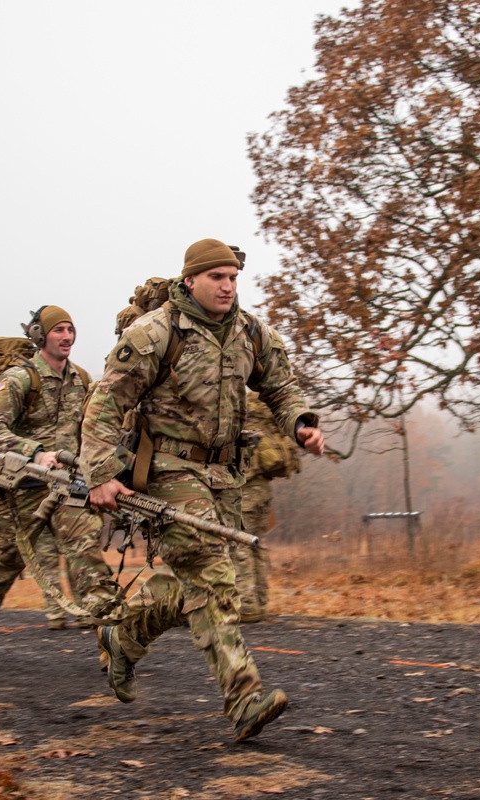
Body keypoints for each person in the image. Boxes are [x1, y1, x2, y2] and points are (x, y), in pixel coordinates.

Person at [81, 238, 325, 743]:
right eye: (217, 277)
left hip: (225, 479)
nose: (228, 285)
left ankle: (124, 638)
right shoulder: (154, 334)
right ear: (190, 280)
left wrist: (299, 421)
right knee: (213, 581)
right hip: (168, 471)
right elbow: (105, 404)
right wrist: (101, 474)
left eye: (233, 277)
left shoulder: (250, 332)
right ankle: (243, 698)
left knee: (202, 586)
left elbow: (279, 383)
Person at [0, 305, 122, 663]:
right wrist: (35, 452)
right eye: (59, 330)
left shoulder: (82, 379)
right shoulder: (20, 379)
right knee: (7, 563)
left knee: (87, 556)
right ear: (40, 336)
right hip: (23, 490)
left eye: (71, 330)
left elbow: (96, 430)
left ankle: (111, 644)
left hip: (69, 487)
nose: (67, 336)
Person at [231, 391, 300, 623]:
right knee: (256, 544)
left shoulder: (239, 418)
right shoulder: (263, 419)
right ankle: (259, 602)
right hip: (263, 490)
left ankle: (246, 604)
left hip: (246, 491)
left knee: (239, 543)